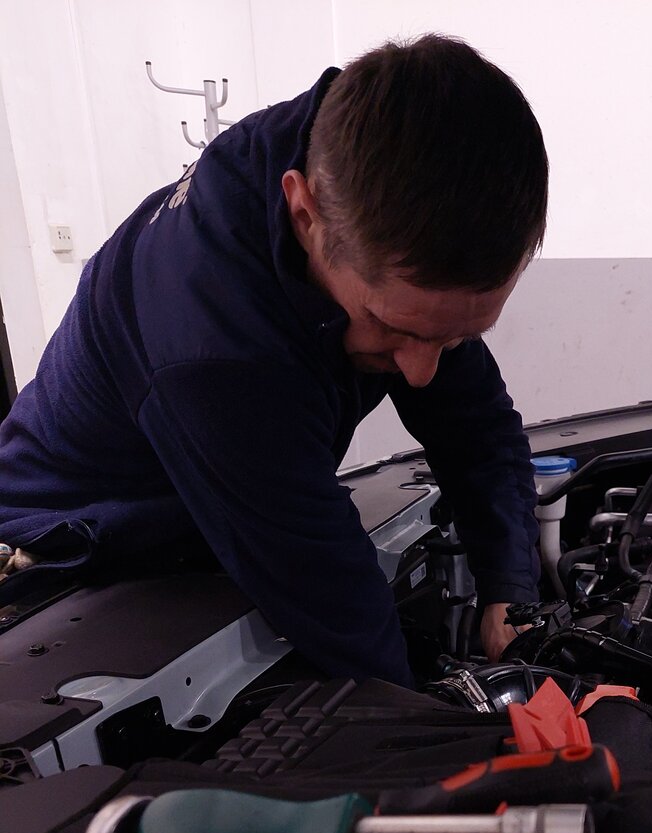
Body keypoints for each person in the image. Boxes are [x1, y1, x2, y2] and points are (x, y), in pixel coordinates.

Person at [0, 35, 548, 686]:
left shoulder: (374, 163)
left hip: (222, 508)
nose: (422, 372)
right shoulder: (215, 346)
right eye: (391, 328)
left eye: (454, 339)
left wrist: (511, 591)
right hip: (74, 559)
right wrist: (435, 724)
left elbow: (474, 424)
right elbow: (335, 601)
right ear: (304, 214)